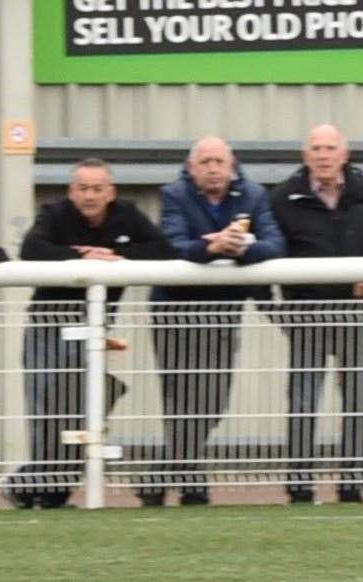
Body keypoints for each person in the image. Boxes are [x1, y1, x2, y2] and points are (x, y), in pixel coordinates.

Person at [10, 158, 174, 508]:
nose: (90, 195)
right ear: (71, 191)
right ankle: (43, 488)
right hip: (47, 328)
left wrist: (113, 255)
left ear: (110, 192)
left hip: (95, 331)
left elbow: (162, 249)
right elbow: (31, 250)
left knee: (81, 411)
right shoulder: (53, 214)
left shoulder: (127, 215)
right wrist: (81, 256)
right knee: (44, 411)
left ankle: (37, 487)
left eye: (97, 188)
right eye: (83, 188)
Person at [139, 135, 286, 507]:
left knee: (213, 400)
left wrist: (240, 248)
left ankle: (160, 474)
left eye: (219, 161)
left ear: (231, 164)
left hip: (223, 313)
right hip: (175, 311)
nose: (213, 168)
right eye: (205, 162)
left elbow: (274, 244)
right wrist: (211, 248)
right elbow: (172, 245)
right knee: (180, 397)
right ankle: (191, 481)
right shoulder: (174, 195)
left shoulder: (253, 195)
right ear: (192, 168)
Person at [269, 124, 363, 504]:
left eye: (330, 148)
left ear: (344, 154)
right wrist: (277, 313)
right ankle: (298, 485)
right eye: (316, 148)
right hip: (307, 316)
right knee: (302, 401)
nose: (323, 155)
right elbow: (266, 251)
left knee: (359, 398)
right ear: (305, 155)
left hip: (356, 316)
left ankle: (351, 483)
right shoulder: (283, 197)